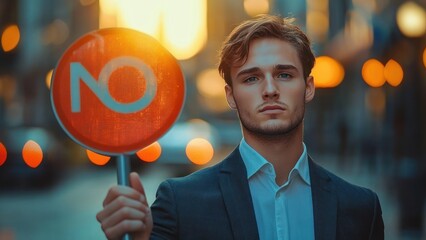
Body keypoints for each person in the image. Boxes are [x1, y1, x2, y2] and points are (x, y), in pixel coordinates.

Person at [96, 14, 384, 240]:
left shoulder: (361, 208)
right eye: (251, 79)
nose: (270, 90)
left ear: (308, 87)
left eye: (284, 74)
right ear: (231, 96)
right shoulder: (181, 202)